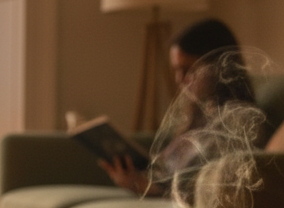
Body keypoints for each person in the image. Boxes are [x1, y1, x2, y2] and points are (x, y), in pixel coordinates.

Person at [100, 18, 255, 196]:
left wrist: (147, 187)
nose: (179, 79)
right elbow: (165, 172)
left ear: (219, 67)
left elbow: (212, 187)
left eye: (189, 70)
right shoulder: (196, 116)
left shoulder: (240, 121)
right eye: (176, 70)